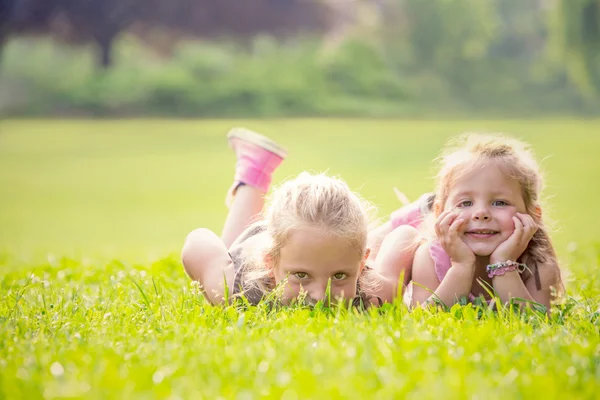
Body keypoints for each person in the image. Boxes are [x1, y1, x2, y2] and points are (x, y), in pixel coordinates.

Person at [181, 128, 405, 307]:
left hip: (299, 243)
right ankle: (252, 172)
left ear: (363, 265)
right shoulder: (239, 290)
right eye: (301, 275)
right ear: (270, 263)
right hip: (253, 245)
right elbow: (197, 242)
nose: (320, 297)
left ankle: (256, 164)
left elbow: (406, 235)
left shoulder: (371, 292)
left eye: (339, 276)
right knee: (230, 244)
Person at [376, 133, 564, 309]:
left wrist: (504, 264)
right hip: (400, 236)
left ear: (533, 215)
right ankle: (419, 209)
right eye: (465, 203)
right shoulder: (430, 257)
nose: (481, 213)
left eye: (500, 202)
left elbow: (535, 324)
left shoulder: (538, 263)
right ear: (440, 211)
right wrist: (461, 267)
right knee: (397, 239)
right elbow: (423, 319)